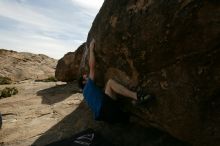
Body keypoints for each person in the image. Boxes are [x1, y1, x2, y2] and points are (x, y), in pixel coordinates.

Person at [79, 39, 152, 124]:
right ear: (84, 82)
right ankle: (137, 96)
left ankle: (129, 113)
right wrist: (91, 49)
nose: (88, 76)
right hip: (107, 108)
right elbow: (92, 67)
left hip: (105, 117)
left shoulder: (85, 94)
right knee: (110, 83)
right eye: (86, 77)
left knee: (130, 119)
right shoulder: (89, 85)